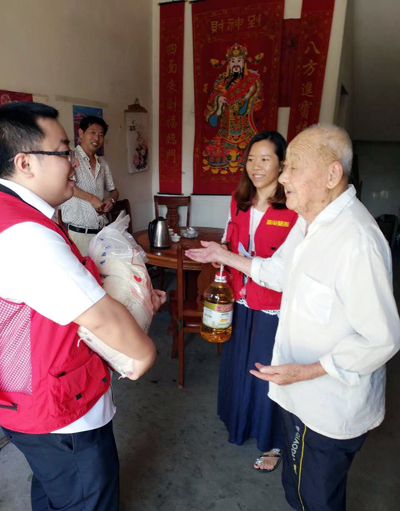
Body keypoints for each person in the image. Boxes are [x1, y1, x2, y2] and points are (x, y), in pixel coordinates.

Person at [186, 124, 400, 511]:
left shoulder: (357, 241)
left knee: (315, 498)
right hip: (299, 396)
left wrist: (305, 371)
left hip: (327, 408)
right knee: (298, 489)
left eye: (293, 167)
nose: (282, 177)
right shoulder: (309, 221)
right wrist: (223, 255)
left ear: (332, 174)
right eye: (284, 167)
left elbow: (381, 338)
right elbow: (278, 272)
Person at [0, 101, 166, 511]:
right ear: (25, 163)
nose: (73, 162)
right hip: (60, 408)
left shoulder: (18, 213)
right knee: (87, 496)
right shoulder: (26, 234)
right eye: (63, 152)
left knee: (55, 488)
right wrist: (144, 352)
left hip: (31, 396)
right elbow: (102, 317)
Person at [217, 131, 297, 471]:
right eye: (251, 159)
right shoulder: (239, 201)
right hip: (240, 300)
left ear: (282, 164)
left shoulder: (293, 209)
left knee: (267, 371)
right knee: (240, 365)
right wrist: (221, 258)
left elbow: (288, 268)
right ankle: (239, 423)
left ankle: (273, 442)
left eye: (265, 159)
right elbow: (229, 240)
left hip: (272, 307)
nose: (256, 166)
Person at [61, 115, 119, 256]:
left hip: (101, 232)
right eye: (92, 132)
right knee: (82, 269)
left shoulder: (103, 164)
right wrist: (91, 198)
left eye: (101, 135)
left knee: (102, 270)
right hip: (78, 234)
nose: (96, 138)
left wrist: (111, 200)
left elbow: (114, 190)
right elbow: (64, 185)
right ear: (81, 133)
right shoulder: (69, 158)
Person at [203, 42, 263, 175]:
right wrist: (218, 101)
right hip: (225, 129)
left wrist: (248, 97)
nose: (236, 64)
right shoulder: (221, 82)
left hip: (245, 128)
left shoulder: (252, 80)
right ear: (228, 64)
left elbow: (259, 103)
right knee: (214, 150)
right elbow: (211, 105)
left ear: (244, 63)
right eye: (233, 61)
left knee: (252, 149)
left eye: (239, 60)